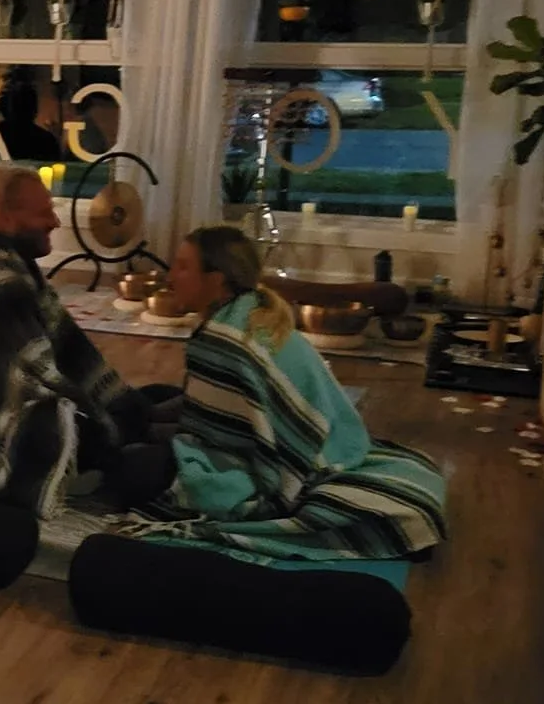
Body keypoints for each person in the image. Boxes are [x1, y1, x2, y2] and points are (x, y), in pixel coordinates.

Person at [144, 225, 445, 559]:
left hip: (287, 461)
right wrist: (153, 415)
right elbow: (214, 407)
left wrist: (149, 427)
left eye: (183, 266)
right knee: (155, 395)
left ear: (216, 279)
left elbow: (219, 437)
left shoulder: (223, 340)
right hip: (329, 440)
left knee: (136, 467)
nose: (171, 276)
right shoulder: (250, 307)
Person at [0, 162, 168, 516]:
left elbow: (72, 350)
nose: (54, 221)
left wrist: (129, 410)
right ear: (7, 218)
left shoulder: (6, 269)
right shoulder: (5, 287)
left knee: (149, 400)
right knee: (149, 463)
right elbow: (53, 384)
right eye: (44, 212)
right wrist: (118, 430)